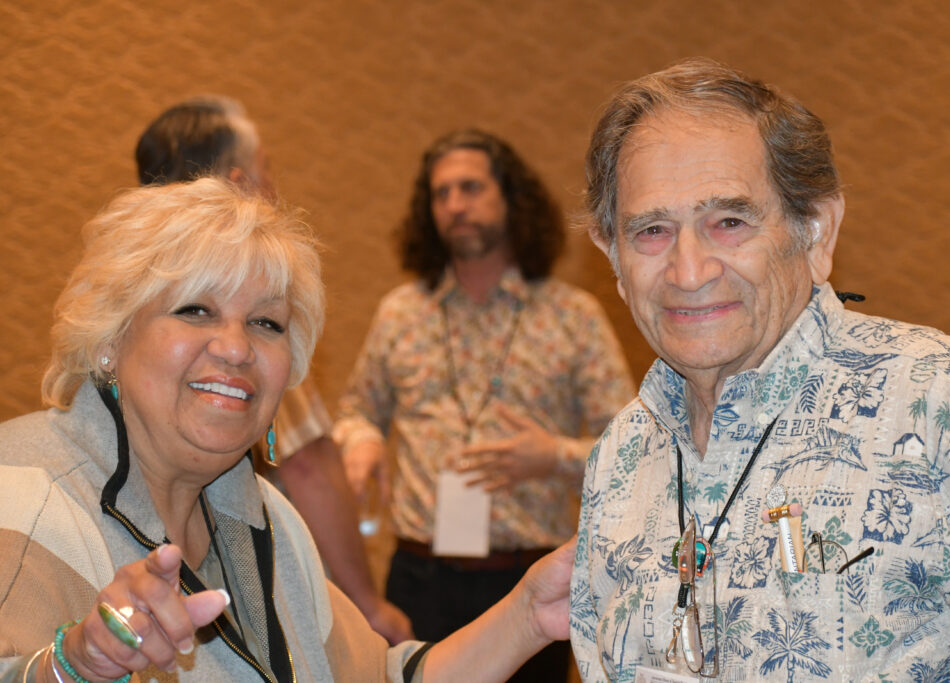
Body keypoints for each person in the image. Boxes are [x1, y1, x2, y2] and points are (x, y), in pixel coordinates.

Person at [0, 177, 573, 682]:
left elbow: (376, 678)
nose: (235, 346)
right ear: (108, 340)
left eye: (265, 323)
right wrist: (74, 666)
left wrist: (528, 613)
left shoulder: (268, 519)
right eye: (195, 309)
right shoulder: (20, 493)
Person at [570, 57, 950, 681]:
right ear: (613, 258)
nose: (690, 270)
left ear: (816, 232)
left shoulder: (943, 405)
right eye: (651, 230)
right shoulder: (619, 458)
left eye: (729, 222)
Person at [334, 129, 635, 680]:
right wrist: (363, 440)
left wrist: (555, 456)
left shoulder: (572, 316)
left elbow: (634, 454)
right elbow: (357, 411)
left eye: (470, 187)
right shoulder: (401, 312)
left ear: (510, 199)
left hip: (529, 582)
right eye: (440, 193)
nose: (454, 204)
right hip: (419, 577)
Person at [135, 95, 412, 644]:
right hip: (229, 593)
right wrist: (368, 606)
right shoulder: (253, 311)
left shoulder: (122, 291)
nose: (231, 346)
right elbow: (308, 467)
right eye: (270, 171)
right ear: (243, 183)